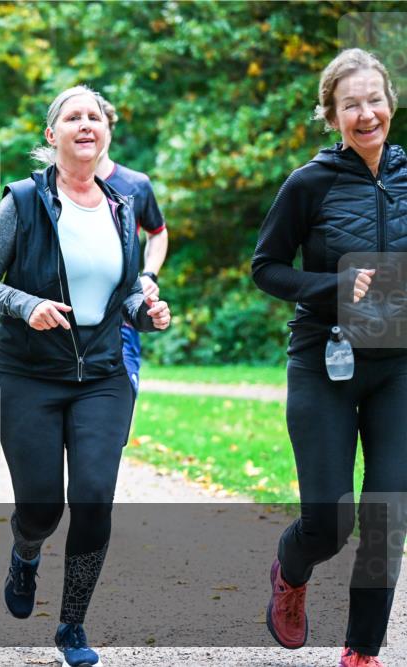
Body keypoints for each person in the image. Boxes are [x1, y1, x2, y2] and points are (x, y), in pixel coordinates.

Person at [0, 85, 171, 667]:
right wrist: (26, 304)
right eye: (72, 117)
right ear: (51, 136)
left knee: (95, 500)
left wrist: (147, 312)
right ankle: (25, 553)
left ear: (106, 134)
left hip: (102, 375)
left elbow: (123, 294)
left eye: (94, 117)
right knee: (41, 508)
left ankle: (72, 626)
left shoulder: (123, 207)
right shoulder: (24, 201)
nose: (85, 124)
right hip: (26, 374)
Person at [251, 48, 406, 667]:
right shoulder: (308, 183)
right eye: (351, 105)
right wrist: (333, 286)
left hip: (398, 367)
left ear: (391, 103)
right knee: (328, 522)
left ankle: (361, 651)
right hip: (325, 360)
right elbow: (267, 268)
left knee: (388, 515)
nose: (366, 114)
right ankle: (290, 573)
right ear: (331, 115)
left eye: (375, 100)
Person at [95, 95, 169, 397]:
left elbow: (158, 232)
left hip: (121, 317)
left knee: (118, 400)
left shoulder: (135, 184)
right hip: (67, 318)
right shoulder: (54, 185)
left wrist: (149, 274)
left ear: (109, 131)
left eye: (97, 121)